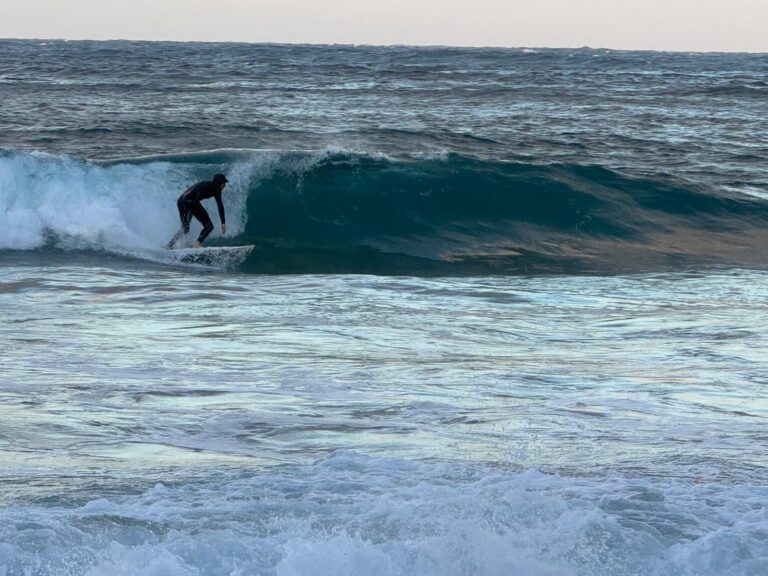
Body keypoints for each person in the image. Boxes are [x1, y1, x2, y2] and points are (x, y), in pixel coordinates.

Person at [166, 173, 228, 249]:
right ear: (220, 183)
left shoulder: (206, 184)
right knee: (209, 226)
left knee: (185, 229)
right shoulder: (216, 187)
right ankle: (197, 245)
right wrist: (223, 222)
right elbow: (220, 205)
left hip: (180, 201)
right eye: (224, 183)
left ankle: (170, 244)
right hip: (191, 202)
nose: (225, 185)